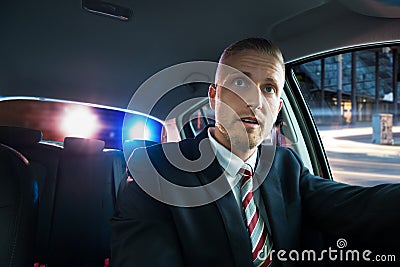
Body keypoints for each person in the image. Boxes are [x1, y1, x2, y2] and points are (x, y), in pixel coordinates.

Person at [111, 38, 400, 267]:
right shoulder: (156, 171)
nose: (255, 100)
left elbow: (357, 207)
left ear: (277, 108)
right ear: (214, 97)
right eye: (240, 83)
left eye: (269, 88)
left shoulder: (287, 167)